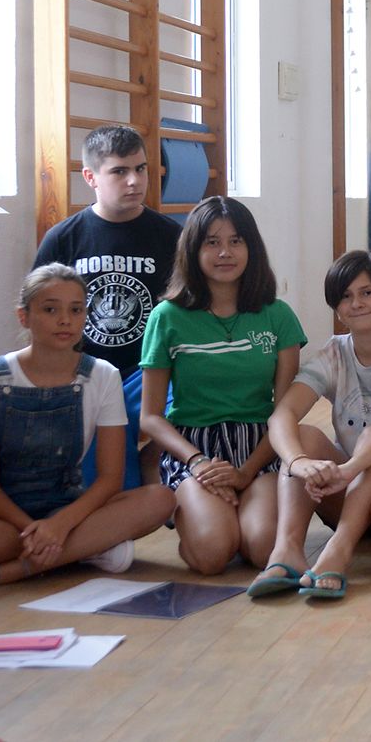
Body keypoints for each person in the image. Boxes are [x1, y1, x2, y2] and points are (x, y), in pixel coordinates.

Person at [0, 265, 174, 593]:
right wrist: (37, 531)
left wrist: (59, 524)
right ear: (24, 316)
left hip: (68, 510)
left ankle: (2, 573)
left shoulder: (102, 376)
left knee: (160, 499)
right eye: (50, 309)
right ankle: (85, 552)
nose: (65, 320)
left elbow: (110, 479)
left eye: (76, 310)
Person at [247, 251, 371, 600]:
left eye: (367, 293)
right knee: (303, 437)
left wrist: (351, 467)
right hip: (350, 490)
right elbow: (282, 415)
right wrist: (299, 462)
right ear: (337, 309)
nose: (356, 303)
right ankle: (287, 550)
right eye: (346, 297)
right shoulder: (333, 354)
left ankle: (339, 549)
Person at [137, 197, 306, 575]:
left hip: (258, 447)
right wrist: (196, 462)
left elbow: (284, 410)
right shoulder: (167, 317)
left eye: (236, 241)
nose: (225, 252)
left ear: (252, 247)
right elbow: (150, 418)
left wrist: (246, 472)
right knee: (213, 554)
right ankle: (203, 520)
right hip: (194, 449)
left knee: (264, 549)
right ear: (192, 249)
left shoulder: (277, 316)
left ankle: (234, 513)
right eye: (211, 242)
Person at [34, 124, 181, 488]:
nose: (135, 180)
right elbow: (39, 314)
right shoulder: (64, 238)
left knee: (209, 398)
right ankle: (136, 474)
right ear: (91, 176)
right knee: (112, 489)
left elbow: (191, 313)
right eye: (119, 171)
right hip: (88, 374)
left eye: (141, 169)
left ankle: (156, 462)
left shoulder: (171, 237)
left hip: (150, 373)